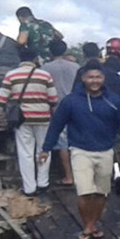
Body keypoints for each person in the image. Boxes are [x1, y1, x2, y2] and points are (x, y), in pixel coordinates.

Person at [41, 61, 120, 239]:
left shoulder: (113, 100)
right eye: (90, 77)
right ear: (83, 79)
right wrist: (46, 148)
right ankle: (87, 226)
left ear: (103, 79)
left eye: (98, 77)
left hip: (106, 150)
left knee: (101, 193)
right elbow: (56, 126)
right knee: (84, 192)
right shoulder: (70, 101)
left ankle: (92, 223)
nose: (95, 81)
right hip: (80, 151)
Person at [0, 46, 58, 196]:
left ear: (20, 59)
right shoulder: (45, 75)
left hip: (22, 119)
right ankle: (43, 183)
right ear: (35, 59)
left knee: (25, 152)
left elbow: (1, 99)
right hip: (43, 118)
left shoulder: (11, 75)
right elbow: (53, 99)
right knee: (43, 150)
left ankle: (29, 188)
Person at [42, 39, 80, 185]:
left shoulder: (46, 68)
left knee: (62, 143)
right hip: (76, 105)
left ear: (50, 52)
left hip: (56, 107)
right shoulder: (75, 66)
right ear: (65, 50)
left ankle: (68, 176)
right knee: (77, 140)